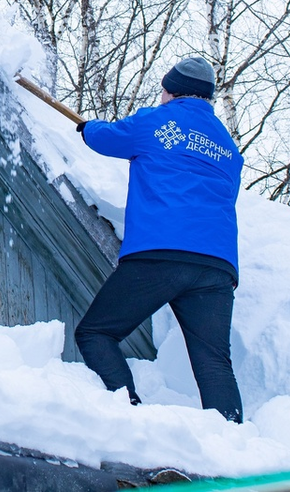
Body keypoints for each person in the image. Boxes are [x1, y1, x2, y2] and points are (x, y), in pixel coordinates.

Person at [73, 57, 244, 423]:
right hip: (216, 266)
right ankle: (234, 446)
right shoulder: (228, 148)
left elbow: (109, 138)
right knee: (214, 362)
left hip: (161, 252)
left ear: (171, 91)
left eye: (164, 89)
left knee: (96, 332)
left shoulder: (160, 120)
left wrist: (87, 128)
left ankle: (130, 418)